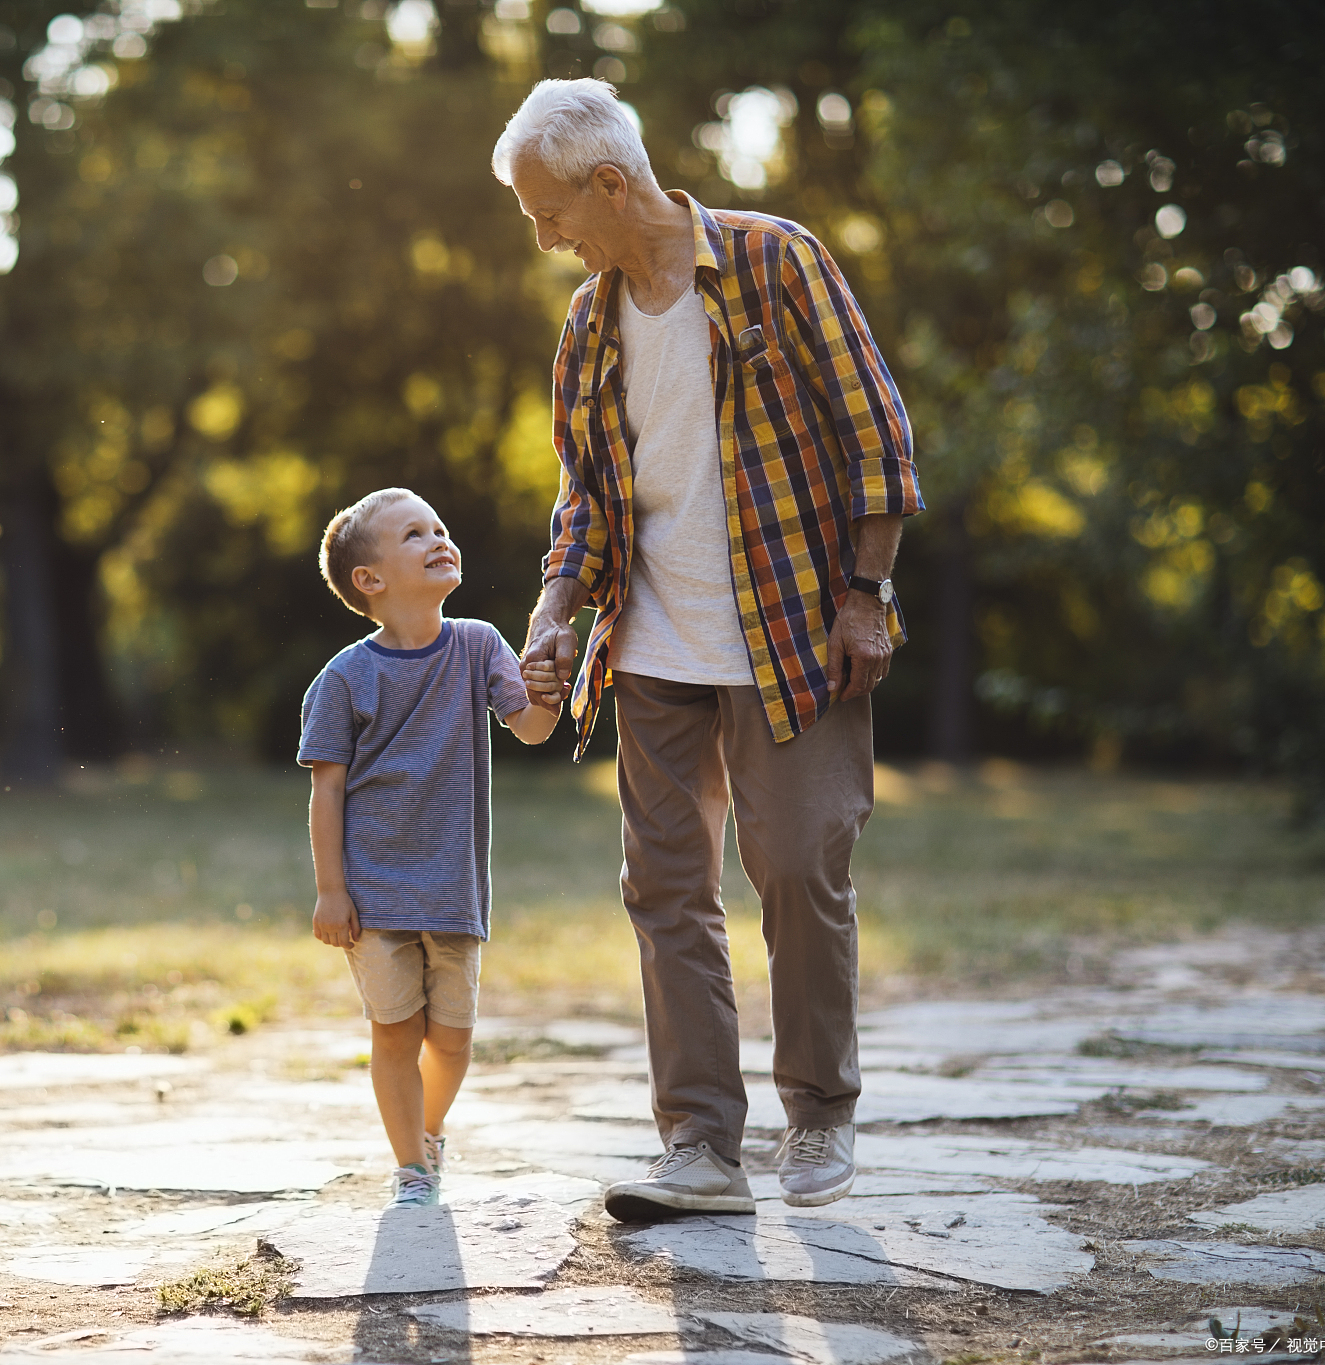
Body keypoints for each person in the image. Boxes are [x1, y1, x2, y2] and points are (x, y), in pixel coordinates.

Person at [494, 80, 924, 1220]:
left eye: (548, 212)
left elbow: (876, 438)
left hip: (791, 635)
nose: (543, 238)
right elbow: (586, 497)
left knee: (795, 872)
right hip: (654, 646)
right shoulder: (588, 324)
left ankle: (820, 1113)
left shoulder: (776, 262)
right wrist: (553, 615)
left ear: (608, 182)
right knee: (666, 892)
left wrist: (865, 593)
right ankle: (698, 1146)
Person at [298, 488, 561, 1208]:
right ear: (371, 580)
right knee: (395, 1031)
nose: (439, 538)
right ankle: (411, 1164)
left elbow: (532, 728)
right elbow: (326, 791)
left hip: (452, 889)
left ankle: (428, 1126)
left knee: (451, 1040)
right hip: (373, 891)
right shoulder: (344, 679)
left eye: (440, 527)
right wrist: (331, 889)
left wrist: (550, 688)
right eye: (415, 533)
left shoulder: (478, 645)